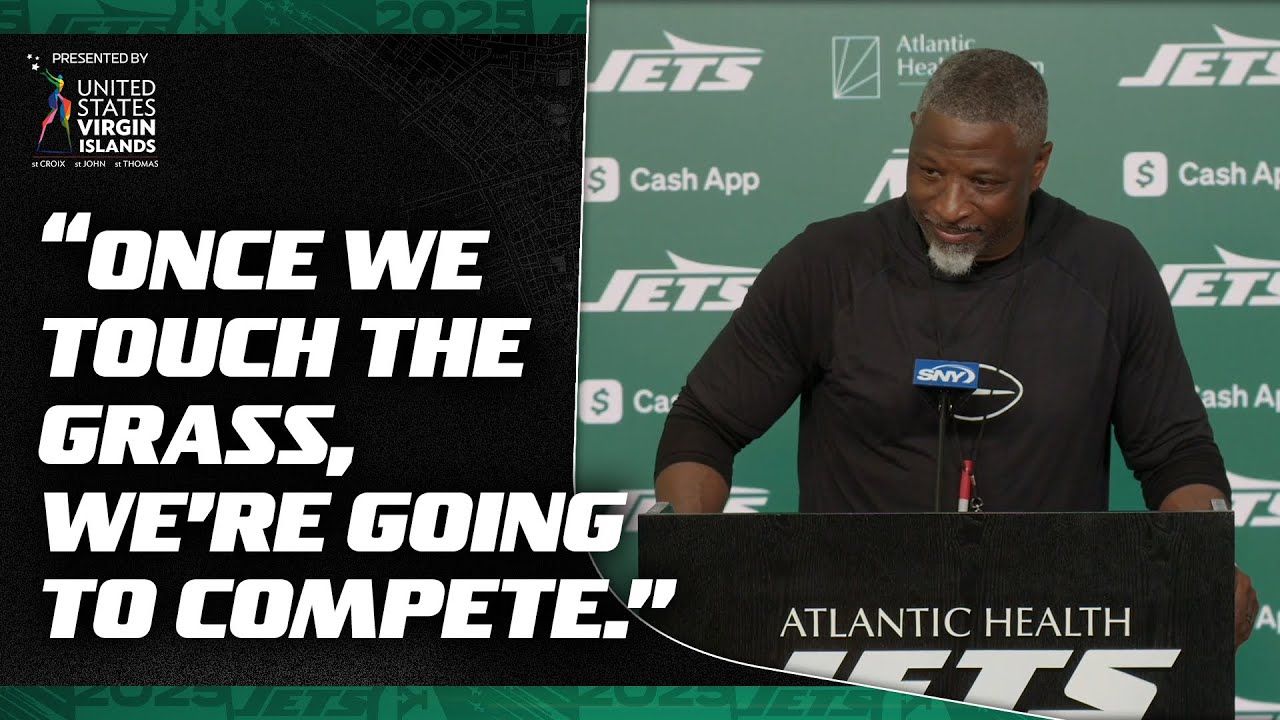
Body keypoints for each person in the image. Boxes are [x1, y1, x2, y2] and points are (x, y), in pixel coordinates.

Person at [652, 48, 1258, 649]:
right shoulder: (826, 265)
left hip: (1046, 633)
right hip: (851, 633)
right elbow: (705, 425)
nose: (948, 206)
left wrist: (1206, 560)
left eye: (983, 182)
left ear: (1038, 166)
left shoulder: (1109, 268)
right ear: (913, 134)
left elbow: (1175, 454)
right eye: (929, 172)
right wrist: (686, 551)